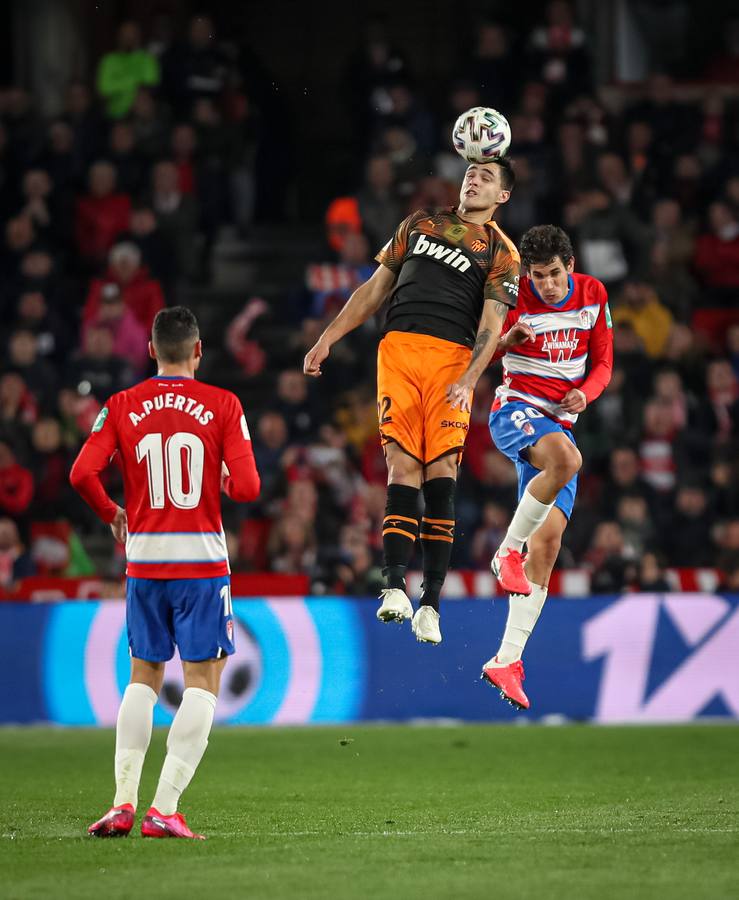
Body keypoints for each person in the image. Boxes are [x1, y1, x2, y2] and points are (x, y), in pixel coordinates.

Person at [304, 159, 520, 644]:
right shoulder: (419, 223)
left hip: (451, 362)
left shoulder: (501, 252)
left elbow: (491, 325)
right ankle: (395, 587)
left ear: (502, 197)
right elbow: (373, 290)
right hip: (398, 350)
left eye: (488, 176)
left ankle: (432, 603)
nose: (475, 178)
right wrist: (328, 338)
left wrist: (470, 377)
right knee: (401, 467)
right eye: (472, 171)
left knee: (441, 472)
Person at [70, 307, 260, 839]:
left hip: (145, 562)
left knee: (143, 676)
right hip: (201, 564)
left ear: (151, 350)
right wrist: (222, 477)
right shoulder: (224, 404)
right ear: (199, 350)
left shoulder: (122, 404)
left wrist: (113, 515)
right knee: (203, 680)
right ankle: (165, 808)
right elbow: (247, 490)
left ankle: (121, 802)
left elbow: (81, 473)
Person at [482, 225, 613, 709]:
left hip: (560, 423)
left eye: (555, 274)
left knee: (549, 545)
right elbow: (474, 357)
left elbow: (603, 363)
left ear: (570, 266)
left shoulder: (594, 295)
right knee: (568, 459)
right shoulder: (513, 298)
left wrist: (589, 393)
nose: (548, 285)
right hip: (515, 409)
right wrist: (502, 341)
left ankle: (506, 659)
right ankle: (504, 553)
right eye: (538, 276)